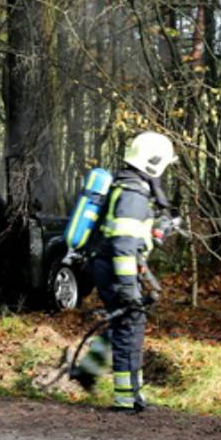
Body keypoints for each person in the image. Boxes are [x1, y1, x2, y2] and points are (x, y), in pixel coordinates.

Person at [71, 131, 176, 412]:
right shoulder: (134, 194)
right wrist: (129, 287)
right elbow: (123, 245)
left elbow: (129, 235)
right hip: (116, 269)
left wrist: (157, 232)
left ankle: (88, 372)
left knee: (122, 323)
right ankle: (127, 398)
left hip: (108, 265)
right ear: (154, 162)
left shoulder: (127, 185)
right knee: (130, 326)